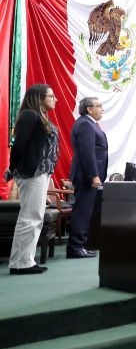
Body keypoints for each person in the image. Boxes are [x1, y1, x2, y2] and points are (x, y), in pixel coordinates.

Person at [5, 85, 60, 274]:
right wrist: (11, 168)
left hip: (40, 173)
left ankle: (26, 260)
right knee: (29, 217)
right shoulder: (30, 115)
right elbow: (18, 146)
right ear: (38, 97)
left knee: (35, 217)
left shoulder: (40, 117)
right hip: (32, 173)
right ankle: (20, 263)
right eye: (51, 96)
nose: (55, 99)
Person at [68, 96, 107, 259]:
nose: (102, 109)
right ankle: (76, 247)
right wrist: (94, 175)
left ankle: (80, 245)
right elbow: (87, 152)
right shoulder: (85, 123)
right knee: (82, 212)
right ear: (89, 109)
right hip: (86, 177)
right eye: (99, 106)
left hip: (87, 176)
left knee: (85, 211)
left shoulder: (89, 123)